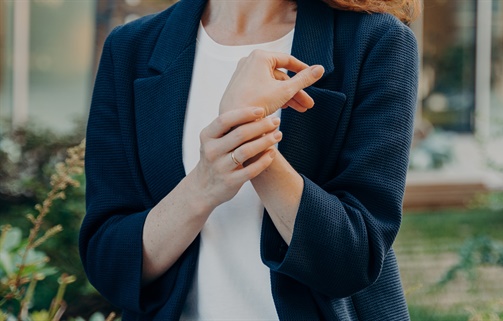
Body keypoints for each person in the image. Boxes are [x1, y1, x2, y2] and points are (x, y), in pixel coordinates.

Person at [79, 0, 421, 319]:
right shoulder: (130, 48)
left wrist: (248, 135)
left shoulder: (376, 41)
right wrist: (204, 184)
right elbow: (108, 261)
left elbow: (354, 258)